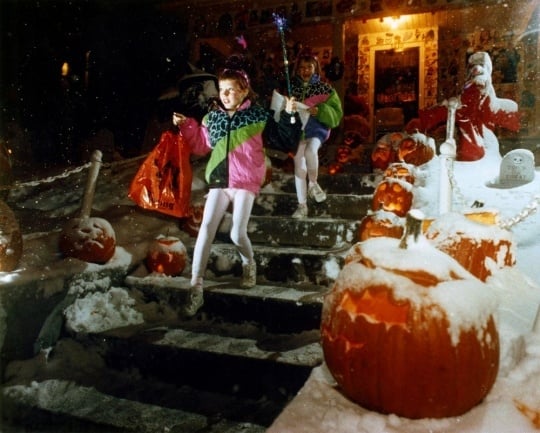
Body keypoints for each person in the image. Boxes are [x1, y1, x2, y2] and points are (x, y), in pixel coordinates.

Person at [174, 60, 300, 317]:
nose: (225, 95)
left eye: (231, 90)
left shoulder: (258, 115)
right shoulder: (213, 117)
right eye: (222, 90)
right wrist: (187, 126)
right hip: (219, 179)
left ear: (244, 90)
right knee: (205, 230)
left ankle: (248, 262)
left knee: (236, 233)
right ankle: (195, 287)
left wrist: (289, 115)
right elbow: (201, 146)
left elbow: (283, 139)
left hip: (245, 181)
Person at [289, 54, 343, 218]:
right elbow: (284, 115)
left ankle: (313, 183)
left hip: (316, 129)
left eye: (309, 67)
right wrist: (288, 108)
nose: (305, 71)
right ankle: (302, 205)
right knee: (299, 164)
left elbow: (337, 113)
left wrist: (319, 111)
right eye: (302, 68)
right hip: (299, 131)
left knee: (310, 151)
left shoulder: (325, 88)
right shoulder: (293, 90)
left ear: (315, 69)